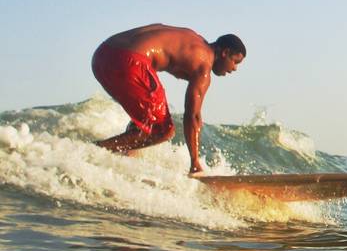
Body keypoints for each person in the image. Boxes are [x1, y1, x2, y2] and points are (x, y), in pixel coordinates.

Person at [91, 24, 246, 175]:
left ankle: (124, 158)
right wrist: (195, 163)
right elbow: (193, 116)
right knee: (163, 130)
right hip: (131, 61)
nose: (234, 69)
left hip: (102, 54)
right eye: (235, 62)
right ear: (225, 53)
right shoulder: (203, 64)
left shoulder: (191, 40)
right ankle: (93, 150)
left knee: (146, 121)